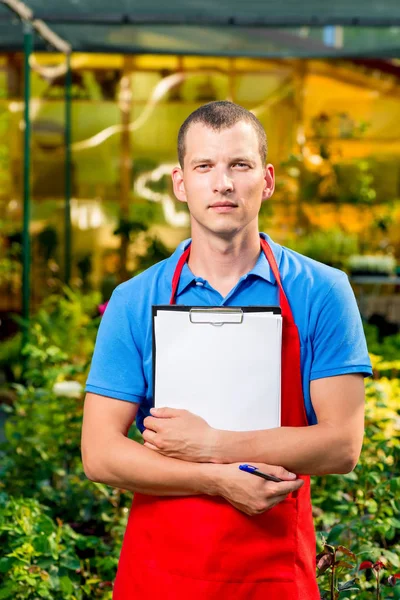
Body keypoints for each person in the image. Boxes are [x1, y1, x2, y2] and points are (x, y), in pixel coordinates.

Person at [81, 101, 372, 600]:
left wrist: (214, 444)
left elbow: (342, 445)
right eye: (204, 166)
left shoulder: (322, 291)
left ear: (268, 179)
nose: (223, 183)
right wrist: (218, 480)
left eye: (240, 165)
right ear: (180, 183)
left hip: (274, 571)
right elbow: (100, 454)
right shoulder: (135, 300)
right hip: (161, 574)